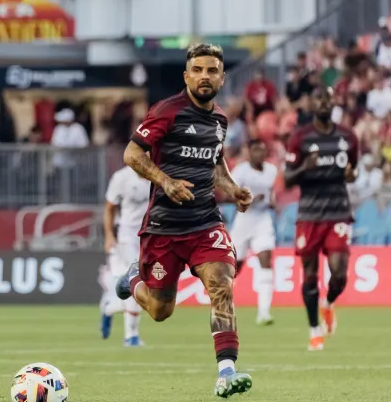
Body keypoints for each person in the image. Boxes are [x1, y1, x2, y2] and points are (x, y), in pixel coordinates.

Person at [115, 43, 254, 398]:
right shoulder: (167, 111)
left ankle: (226, 372)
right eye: (198, 70)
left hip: (205, 222)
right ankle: (134, 278)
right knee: (161, 311)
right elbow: (132, 153)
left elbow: (215, 164)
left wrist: (234, 189)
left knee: (222, 284)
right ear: (186, 76)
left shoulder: (220, 120)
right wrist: (165, 181)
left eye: (212, 71)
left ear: (222, 78)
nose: (204, 76)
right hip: (164, 226)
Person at [284, 86, 358, 351]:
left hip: (338, 211)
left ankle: (329, 303)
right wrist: (306, 166)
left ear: (334, 102)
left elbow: (353, 171)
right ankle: (314, 329)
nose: (324, 103)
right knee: (310, 276)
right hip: (309, 215)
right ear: (311, 103)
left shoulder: (348, 137)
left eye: (328, 98)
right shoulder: (300, 138)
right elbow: (288, 178)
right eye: (319, 98)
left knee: (339, 275)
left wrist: (351, 176)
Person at [99, 165, 150, 345]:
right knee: (138, 280)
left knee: (151, 288)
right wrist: (109, 235)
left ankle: (110, 308)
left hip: (151, 237)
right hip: (127, 237)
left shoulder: (158, 174)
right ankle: (131, 336)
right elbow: (109, 207)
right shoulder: (121, 177)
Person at [229, 139, 278, 326]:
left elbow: (273, 194)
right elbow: (228, 195)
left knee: (266, 260)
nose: (260, 154)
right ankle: (222, 303)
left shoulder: (272, 171)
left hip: (263, 219)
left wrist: (272, 202)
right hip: (243, 221)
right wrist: (247, 199)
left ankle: (264, 313)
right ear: (249, 151)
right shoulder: (240, 171)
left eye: (263, 150)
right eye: (256, 150)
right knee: (235, 267)